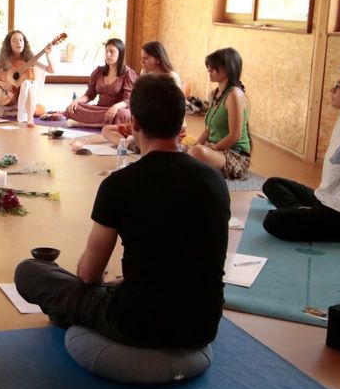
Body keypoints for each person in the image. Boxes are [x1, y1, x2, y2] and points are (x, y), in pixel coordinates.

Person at [14, 75, 229, 349]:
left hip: (137, 325)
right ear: (182, 125)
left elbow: (90, 274)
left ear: (135, 124)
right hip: (202, 327)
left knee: (30, 271)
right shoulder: (215, 180)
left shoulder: (120, 184)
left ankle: (73, 315)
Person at [262, 66, 340, 249]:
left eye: (338, 86)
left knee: (272, 221)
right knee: (273, 184)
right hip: (326, 199)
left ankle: (302, 213)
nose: (332, 90)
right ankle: (302, 211)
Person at [103, 40, 183, 149]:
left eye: (146, 58)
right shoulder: (144, 74)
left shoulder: (171, 77)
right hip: (146, 123)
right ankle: (131, 144)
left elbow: (176, 108)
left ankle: (136, 143)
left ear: (158, 59)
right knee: (106, 130)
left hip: (165, 125)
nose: (142, 62)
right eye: (141, 58)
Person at [188, 47, 251, 180]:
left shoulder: (235, 95)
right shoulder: (214, 94)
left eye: (213, 67)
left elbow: (235, 135)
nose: (209, 70)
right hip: (214, 149)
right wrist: (196, 145)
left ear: (228, 69)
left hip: (234, 154)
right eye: (209, 66)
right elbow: (208, 130)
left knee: (196, 153)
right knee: (183, 148)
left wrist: (213, 148)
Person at [0, 29, 54, 126]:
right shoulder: (2, 60)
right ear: (9, 44)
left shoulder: (29, 60)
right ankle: (13, 112)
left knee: (30, 89)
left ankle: (24, 115)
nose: (18, 43)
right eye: (14, 40)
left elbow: (51, 70)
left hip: (23, 99)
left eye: (21, 40)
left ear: (24, 43)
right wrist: (2, 84)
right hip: (7, 100)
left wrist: (48, 55)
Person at [64, 38, 138, 127]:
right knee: (73, 108)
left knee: (122, 115)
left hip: (118, 109)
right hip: (100, 109)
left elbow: (128, 100)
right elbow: (89, 94)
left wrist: (115, 107)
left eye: (112, 52)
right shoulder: (99, 71)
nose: (108, 54)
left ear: (120, 53)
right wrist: (76, 101)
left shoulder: (128, 73)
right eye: (106, 51)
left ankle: (81, 124)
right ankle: (102, 124)